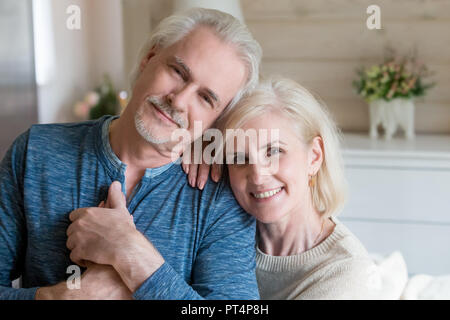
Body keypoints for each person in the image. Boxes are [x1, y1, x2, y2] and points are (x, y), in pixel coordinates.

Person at [0, 8, 262, 300]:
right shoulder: (36, 151)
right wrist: (59, 298)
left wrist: (134, 256)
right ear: (149, 58)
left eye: (205, 98)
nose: (178, 100)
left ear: (217, 119)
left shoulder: (220, 197)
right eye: (177, 71)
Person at [185, 76, 383, 299]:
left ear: (314, 157)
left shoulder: (347, 275)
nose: (258, 175)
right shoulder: (220, 233)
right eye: (240, 158)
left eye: (274, 151)